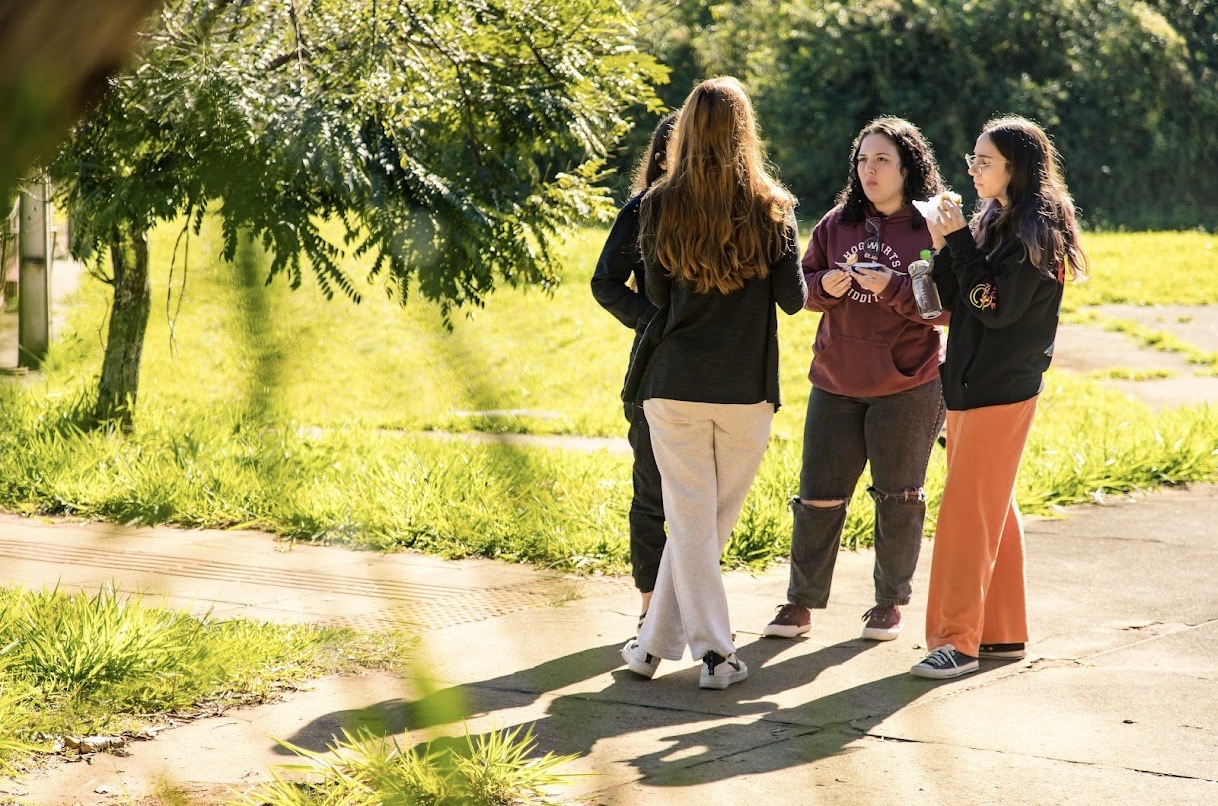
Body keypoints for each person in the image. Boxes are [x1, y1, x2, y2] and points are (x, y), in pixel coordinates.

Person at [618, 76, 807, 690]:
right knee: (703, 524)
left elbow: (652, 296)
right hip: (745, 387)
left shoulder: (656, 205)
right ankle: (717, 655)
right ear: (745, 131)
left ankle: (651, 647)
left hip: (672, 383)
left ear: (686, 130)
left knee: (695, 524)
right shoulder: (774, 206)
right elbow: (792, 300)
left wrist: (673, 309)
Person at [911, 116, 1088, 679]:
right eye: (974, 158)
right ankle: (1001, 632)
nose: (973, 169)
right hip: (968, 383)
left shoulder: (1040, 227)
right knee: (990, 507)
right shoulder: (994, 217)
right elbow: (954, 295)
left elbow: (994, 305)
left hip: (1000, 389)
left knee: (965, 515)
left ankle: (956, 642)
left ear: (1018, 168)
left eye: (985, 161)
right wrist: (945, 242)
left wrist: (960, 239)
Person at [762, 117, 948, 644]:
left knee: (899, 496)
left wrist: (891, 287)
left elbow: (943, 309)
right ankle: (800, 604)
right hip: (836, 379)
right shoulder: (835, 224)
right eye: (863, 160)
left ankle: (888, 604)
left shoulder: (931, 229)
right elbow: (802, 289)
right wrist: (827, 284)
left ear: (907, 167)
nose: (870, 170)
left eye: (883, 160)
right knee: (818, 496)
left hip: (908, 383)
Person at [591, 111, 678, 630]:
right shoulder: (643, 208)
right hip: (651, 371)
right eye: (677, 147)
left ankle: (690, 604)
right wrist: (655, 320)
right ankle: (650, 610)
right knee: (652, 493)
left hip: (715, 377)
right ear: (663, 153)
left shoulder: (731, 211)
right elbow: (606, 282)